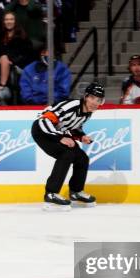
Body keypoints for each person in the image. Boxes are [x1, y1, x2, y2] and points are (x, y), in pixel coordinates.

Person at [31, 82, 104, 211]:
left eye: (98, 100)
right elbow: (44, 120)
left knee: (82, 158)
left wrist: (81, 136)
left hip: (58, 133)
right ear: (86, 97)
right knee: (66, 154)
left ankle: (76, 191)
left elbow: (73, 126)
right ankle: (51, 194)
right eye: (92, 98)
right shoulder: (71, 105)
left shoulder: (88, 112)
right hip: (42, 132)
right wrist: (60, 137)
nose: (95, 102)